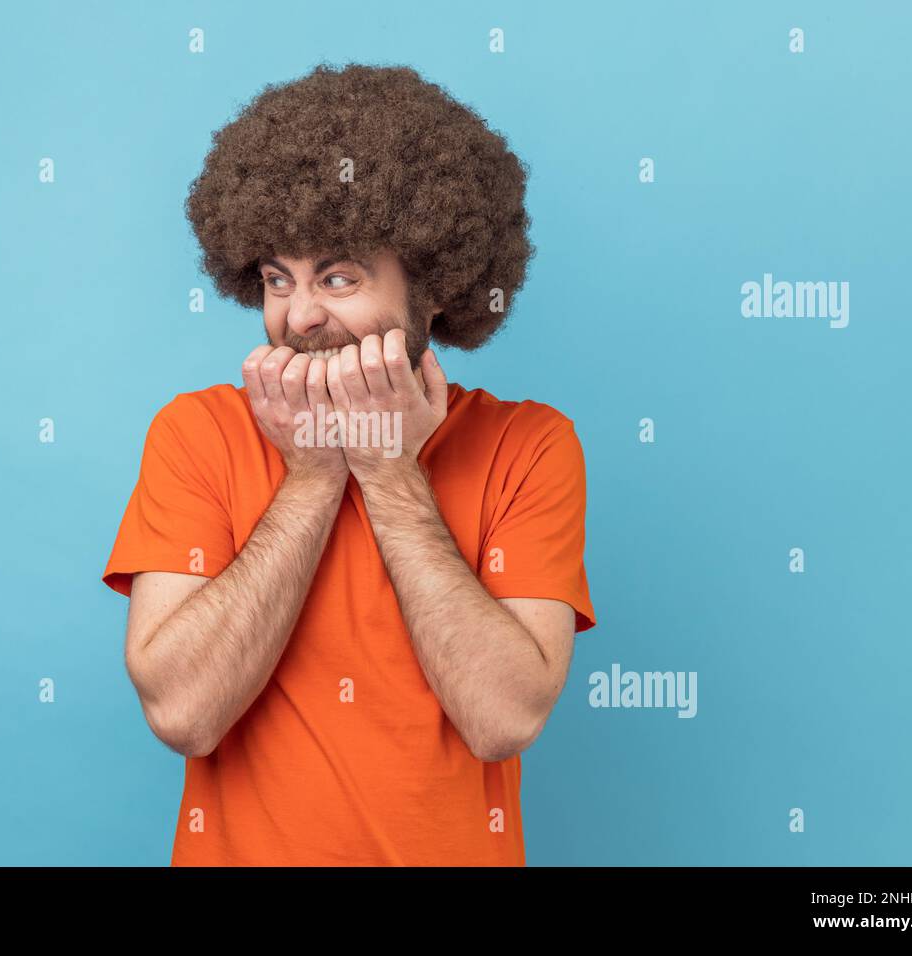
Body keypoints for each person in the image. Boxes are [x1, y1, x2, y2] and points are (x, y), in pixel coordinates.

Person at [101, 62, 597, 866]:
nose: (297, 317)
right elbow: (184, 713)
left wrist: (390, 472)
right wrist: (315, 473)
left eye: (339, 277)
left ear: (433, 287)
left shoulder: (527, 446)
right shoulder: (196, 433)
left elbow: (503, 719)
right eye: (276, 279)